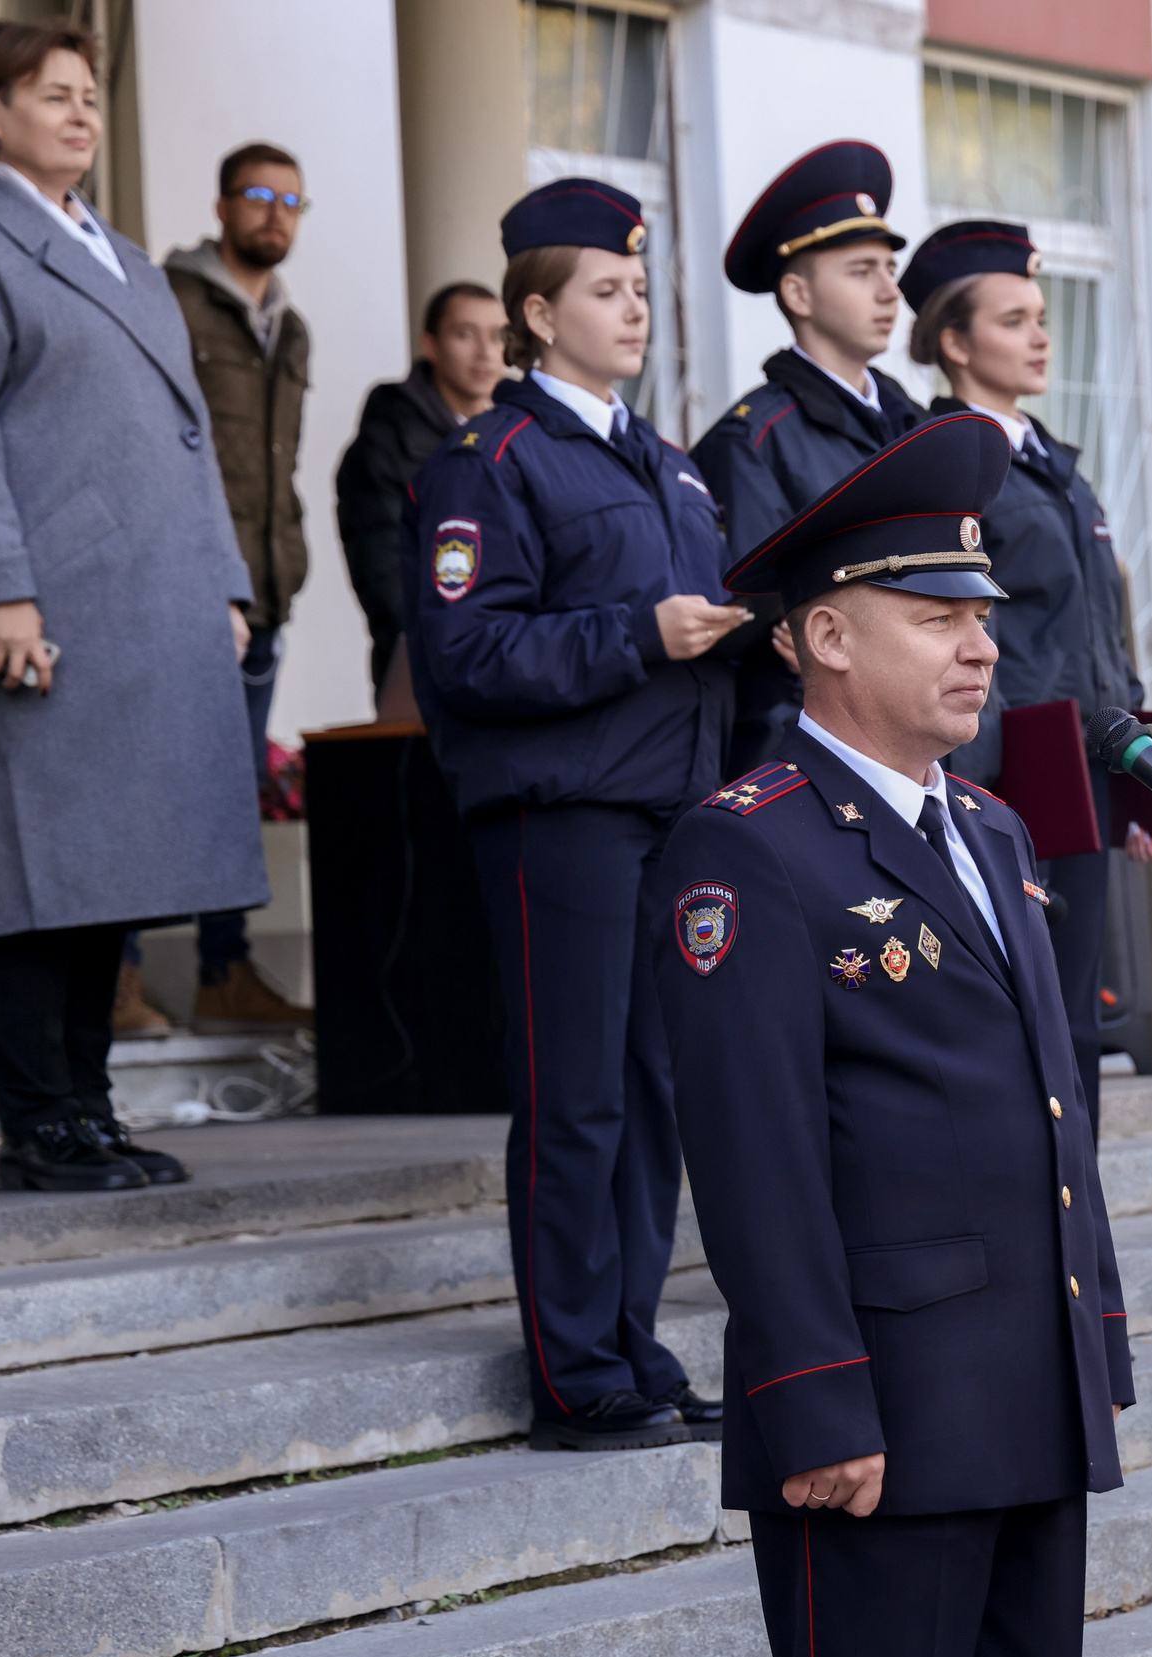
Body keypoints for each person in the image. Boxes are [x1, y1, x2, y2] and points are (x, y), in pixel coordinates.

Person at [656, 412, 1134, 1657]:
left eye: (982, 614)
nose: (980, 643)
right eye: (934, 616)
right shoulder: (749, 848)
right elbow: (758, 1156)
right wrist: (812, 1399)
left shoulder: (993, 831)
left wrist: (1094, 1336)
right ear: (822, 636)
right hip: (884, 1424)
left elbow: (1049, 1108)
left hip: (1029, 1395)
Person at [404, 178, 742, 1451]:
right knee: (577, 1096)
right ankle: (574, 1374)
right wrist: (637, 634)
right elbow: (467, 655)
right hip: (563, 819)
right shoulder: (487, 464)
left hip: (674, 810)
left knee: (657, 1093)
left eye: (643, 289)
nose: (634, 307)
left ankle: (632, 1342)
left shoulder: (671, 468)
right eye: (608, 290)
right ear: (536, 315)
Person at [0, 19, 268, 1193]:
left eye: (88, 94)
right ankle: (37, 1120)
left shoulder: (124, 257)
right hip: (43, 608)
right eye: (49, 94)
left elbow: (190, 438)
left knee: (116, 868)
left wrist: (222, 580)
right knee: (36, 869)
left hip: (147, 607)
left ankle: (91, 1106)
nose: (78, 111)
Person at [903, 218, 1152, 1124]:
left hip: (1083, 781)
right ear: (953, 341)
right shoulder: (946, 464)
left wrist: (1142, 784)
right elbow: (952, 629)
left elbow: (1103, 638)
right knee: (1011, 1018)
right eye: (1014, 320)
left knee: (1075, 1021)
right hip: (1002, 777)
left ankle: (1076, 1241)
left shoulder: (1059, 470)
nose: (1041, 336)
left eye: (1042, 316)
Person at [143, 139, 316, 1038]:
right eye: (258, 195)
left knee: (236, 791)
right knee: (148, 785)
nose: (275, 213)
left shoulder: (292, 326)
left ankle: (223, 972)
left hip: (263, 592)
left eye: (292, 200)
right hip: (179, 589)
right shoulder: (170, 301)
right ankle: (119, 973)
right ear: (220, 208)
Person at [690, 139, 920, 777]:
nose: (887, 292)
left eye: (888, 270)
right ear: (797, 292)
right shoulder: (753, 438)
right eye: (860, 271)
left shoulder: (919, 427)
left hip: (931, 752)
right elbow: (761, 616)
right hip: (815, 762)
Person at [337, 281, 505, 691]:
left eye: (499, 336)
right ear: (430, 346)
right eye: (465, 334)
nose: (485, 352)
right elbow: (385, 573)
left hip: (513, 659)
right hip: (429, 666)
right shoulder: (386, 440)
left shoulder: (517, 436)